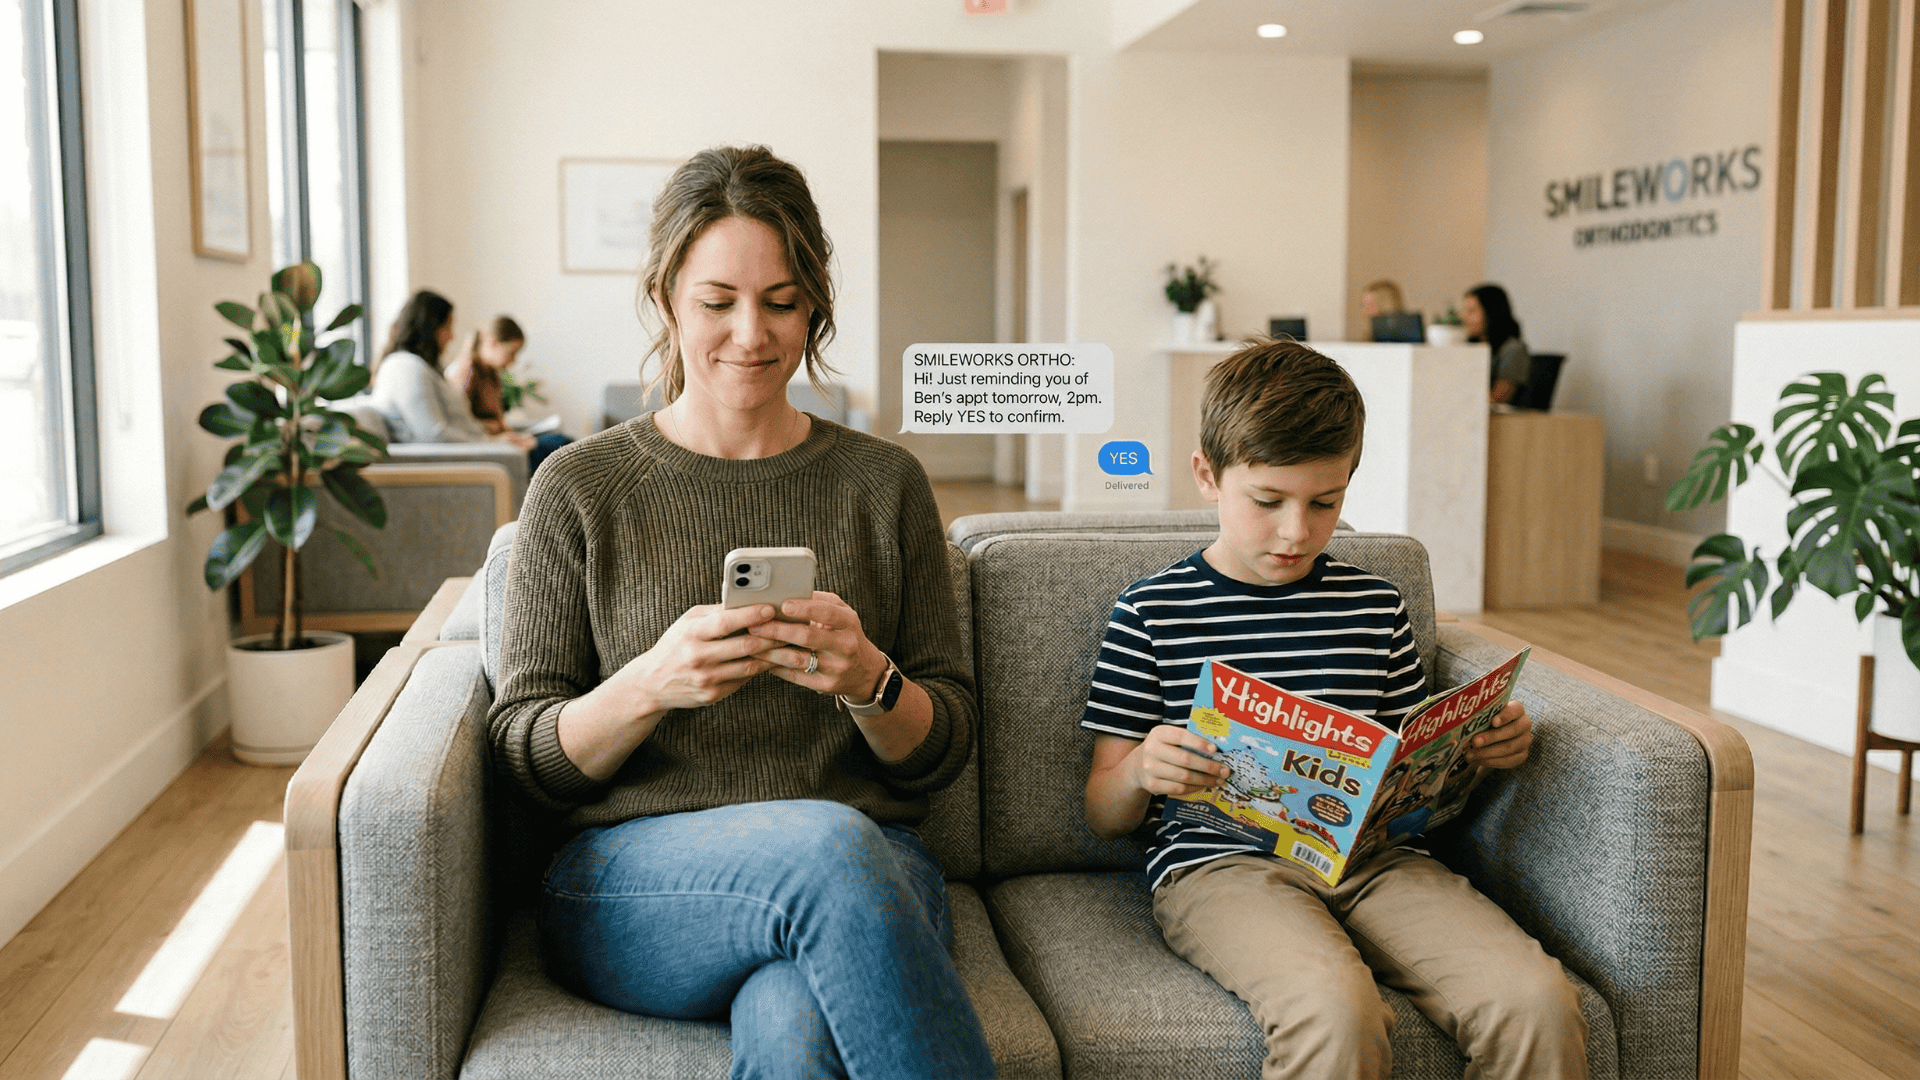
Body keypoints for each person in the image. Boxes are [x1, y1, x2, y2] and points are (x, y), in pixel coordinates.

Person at [486, 145, 995, 1080]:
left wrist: (870, 683)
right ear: (667, 298)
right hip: (634, 882)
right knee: (830, 848)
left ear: (816, 304)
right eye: (718, 302)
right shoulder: (578, 488)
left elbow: (946, 748)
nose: (752, 334)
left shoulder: (884, 486)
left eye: (783, 300)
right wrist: (648, 685)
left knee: (797, 1023)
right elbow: (526, 756)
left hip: (870, 869)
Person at [1079, 339, 1586, 1080]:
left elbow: (1412, 779)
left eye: (1325, 503)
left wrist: (1473, 752)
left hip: (1378, 859)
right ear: (1206, 475)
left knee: (1535, 998)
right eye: (1268, 501)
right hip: (1222, 866)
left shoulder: (1375, 606)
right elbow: (1102, 808)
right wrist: (1143, 771)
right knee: (1334, 1009)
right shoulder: (1152, 611)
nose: (1297, 531)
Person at [369, 290, 535, 452]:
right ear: (430, 328)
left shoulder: (425, 369)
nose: (452, 336)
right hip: (457, 460)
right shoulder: (406, 368)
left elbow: (458, 425)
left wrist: (499, 438)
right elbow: (434, 435)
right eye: (447, 328)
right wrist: (494, 442)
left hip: (473, 451)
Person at [444, 315, 573, 472]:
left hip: (504, 440)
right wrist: (497, 434)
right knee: (565, 446)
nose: (513, 360)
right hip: (492, 446)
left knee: (563, 441)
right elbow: (460, 425)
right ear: (493, 343)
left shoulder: (491, 374)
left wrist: (512, 434)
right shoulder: (466, 371)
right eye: (511, 353)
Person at [1463, 283, 1530, 405]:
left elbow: (1497, 400)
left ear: (1491, 312)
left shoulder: (1513, 349)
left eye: (1472, 311)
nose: (1465, 317)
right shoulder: (1473, 346)